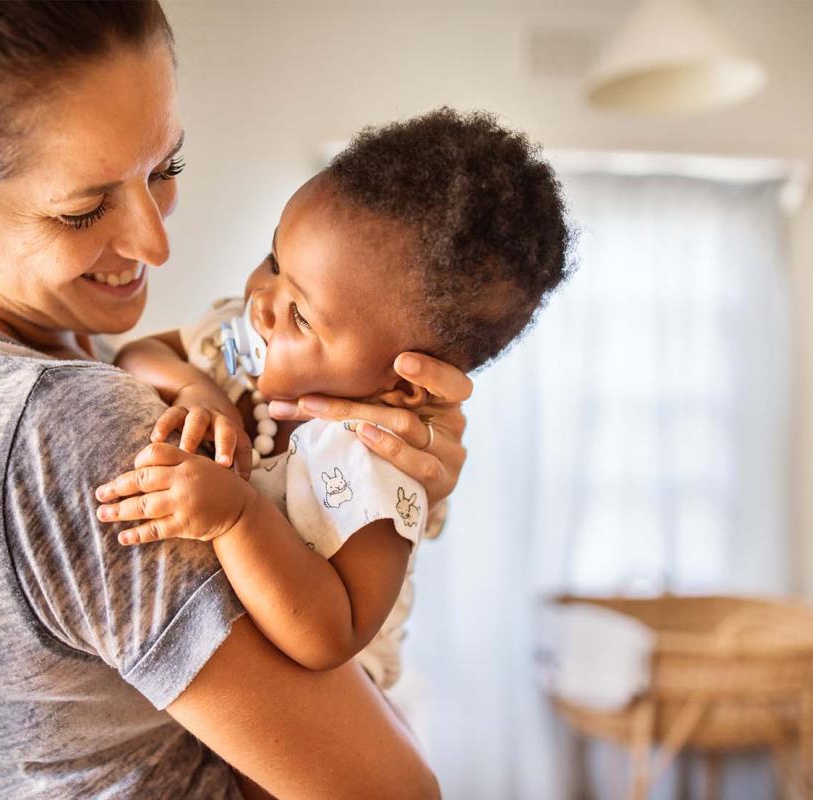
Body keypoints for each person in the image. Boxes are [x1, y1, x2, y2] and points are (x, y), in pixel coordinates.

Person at [0, 1, 472, 797]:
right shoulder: (64, 426)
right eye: (83, 208)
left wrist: (386, 481)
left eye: (166, 169)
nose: (156, 243)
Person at [101, 108, 570, 690]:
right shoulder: (247, 347)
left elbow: (331, 635)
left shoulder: (372, 460)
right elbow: (140, 353)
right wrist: (194, 387)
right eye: (274, 260)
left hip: (338, 707)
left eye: (300, 314)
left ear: (402, 385)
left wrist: (237, 516)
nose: (262, 300)